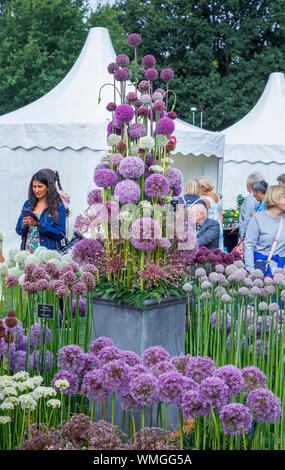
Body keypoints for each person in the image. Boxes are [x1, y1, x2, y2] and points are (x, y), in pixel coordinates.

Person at [16, 171, 66, 252]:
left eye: (40, 186)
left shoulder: (58, 207)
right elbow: (19, 231)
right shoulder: (28, 204)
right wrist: (24, 224)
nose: (36, 190)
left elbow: (61, 234)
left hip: (47, 255)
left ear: (48, 187)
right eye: (34, 186)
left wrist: (39, 225)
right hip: (27, 254)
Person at [244, 185, 285, 274]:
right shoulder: (258, 218)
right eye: (284, 197)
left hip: (281, 271)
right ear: (275, 198)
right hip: (262, 269)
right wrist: (251, 271)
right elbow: (249, 246)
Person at [230, 171, 264, 240]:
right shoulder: (259, 197)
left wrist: (242, 234)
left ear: (250, 184)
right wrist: (237, 226)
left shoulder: (251, 197)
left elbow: (247, 218)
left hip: (248, 233)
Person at [198, 176, 223, 250]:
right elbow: (221, 215)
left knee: (209, 251)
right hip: (219, 227)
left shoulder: (206, 200)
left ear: (203, 188)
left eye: (199, 188)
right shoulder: (217, 197)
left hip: (209, 229)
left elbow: (202, 217)